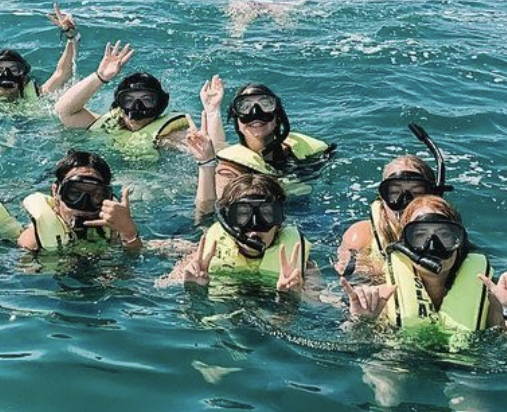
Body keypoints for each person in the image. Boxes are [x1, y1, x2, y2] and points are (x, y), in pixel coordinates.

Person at [343, 194, 507, 335]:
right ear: (404, 245)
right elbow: (355, 350)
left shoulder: (491, 301)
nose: (433, 246)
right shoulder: (382, 298)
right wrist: (362, 321)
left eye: (444, 235)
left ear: (459, 243)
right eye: (420, 235)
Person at [336, 124, 448, 277]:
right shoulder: (361, 237)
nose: (406, 202)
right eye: (395, 193)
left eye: (417, 193)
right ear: (382, 197)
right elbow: (345, 281)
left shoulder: (447, 239)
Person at [172, 171, 308, 293]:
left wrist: (292, 296)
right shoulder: (203, 257)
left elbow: (317, 299)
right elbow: (165, 285)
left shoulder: (296, 262)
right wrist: (194, 288)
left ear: (279, 221)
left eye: (266, 215)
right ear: (227, 221)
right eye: (243, 215)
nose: (254, 229)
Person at [54, 40, 191, 157]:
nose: (137, 106)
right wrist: (100, 77)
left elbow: (193, 146)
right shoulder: (106, 126)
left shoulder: (166, 137)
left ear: (159, 104)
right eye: (128, 100)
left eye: (146, 100)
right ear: (119, 103)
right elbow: (64, 111)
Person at [202, 78, 334, 191]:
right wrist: (212, 111)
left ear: (278, 117)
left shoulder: (298, 153)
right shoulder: (231, 169)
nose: (255, 113)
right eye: (245, 107)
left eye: (265, 104)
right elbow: (218, 149)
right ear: (237, 121)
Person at [18, 150, 141, 254]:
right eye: (74, 193)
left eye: (96, 195)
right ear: (56, 192)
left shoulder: (115, 227)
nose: (83, 204)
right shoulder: (34, 240)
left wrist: (129, 232)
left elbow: (140, 255)